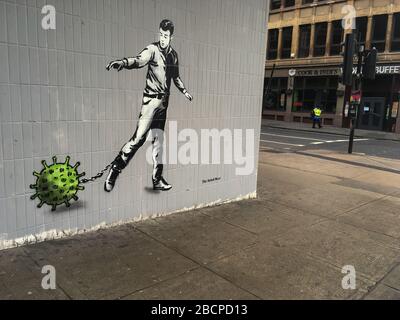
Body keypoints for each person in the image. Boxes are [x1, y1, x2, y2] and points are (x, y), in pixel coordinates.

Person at [104, 19, 193, 192]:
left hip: (163, 103)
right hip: (151, 102)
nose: (162, 38)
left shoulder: (173, 55)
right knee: (138, 139)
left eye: (165, 36)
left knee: (158, 142)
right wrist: (123, 63)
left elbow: (175, 77)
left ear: (171, 37)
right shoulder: (152, 50)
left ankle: (157, 179)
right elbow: (138, 60)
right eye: (160, 34)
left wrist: (184, 91)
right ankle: (115, 170)